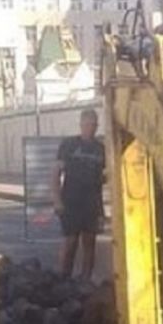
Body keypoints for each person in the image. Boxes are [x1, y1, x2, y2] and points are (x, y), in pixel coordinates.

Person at [52, 108, 105, 280]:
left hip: (92, 203)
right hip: (71, 201)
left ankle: (85, 280)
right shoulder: (69, 145)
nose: (91, 128)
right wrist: (57, 200)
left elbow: (106, 175)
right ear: (81, 124)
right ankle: (63, 279)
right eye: (87, 124)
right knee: (70, 242)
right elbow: (55, 173)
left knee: (90, 243)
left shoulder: (100, 149)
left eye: (94, 125)